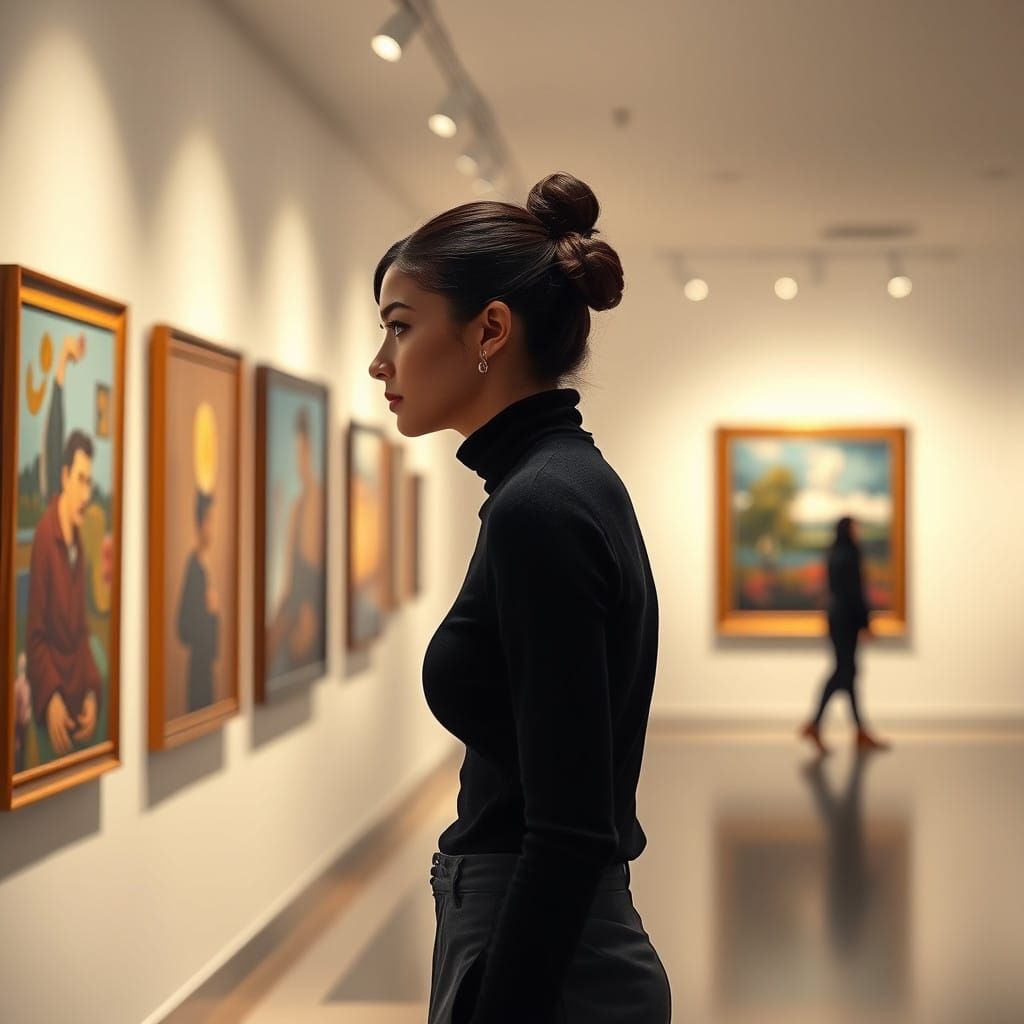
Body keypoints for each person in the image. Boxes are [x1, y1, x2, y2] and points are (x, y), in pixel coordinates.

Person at [369, 172, 671, 1024]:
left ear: (490, 329)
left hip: (543, 956)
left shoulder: (541, 507)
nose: (379, 362)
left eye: (400, 326)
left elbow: (570, 827)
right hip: (544, 938)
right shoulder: (557, 485)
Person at [27, 430, 103, 760]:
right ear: (64, 477)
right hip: (54, 681)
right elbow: (35, 637)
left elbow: (82, 632)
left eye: (90, 483)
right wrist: (53, 696)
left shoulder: (79, 545)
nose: (86, 495)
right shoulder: (45, 538)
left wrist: (91, 691)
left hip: (74, 676)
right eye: (80, 480)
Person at [800, 516, 889, 755]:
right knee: (844, 672)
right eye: (856, 528)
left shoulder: (834, 554)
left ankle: (855, 728)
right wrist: (865, 623)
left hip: (837, 617)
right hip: (846, 619)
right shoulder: (850, 555)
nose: (859, 532)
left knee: (848, 673)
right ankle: (817, 723)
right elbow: (855, 592)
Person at [264, 406, 325, 677]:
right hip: (293, 608)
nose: (299, 461)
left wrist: (306, 614)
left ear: (309, 450)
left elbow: (311, 572)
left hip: (304, 612)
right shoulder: (298, 506)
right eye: (296, 453)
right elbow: (289, 576)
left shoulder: (317, 502)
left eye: (302, 452)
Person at [176, 489, 220, 712]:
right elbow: (182, 627)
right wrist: (208, 611)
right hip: (198, 670)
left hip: (206, 668)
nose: (213, 526)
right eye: (210, 519)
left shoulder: (206, 566)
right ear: (201, 523)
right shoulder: (194, 568)